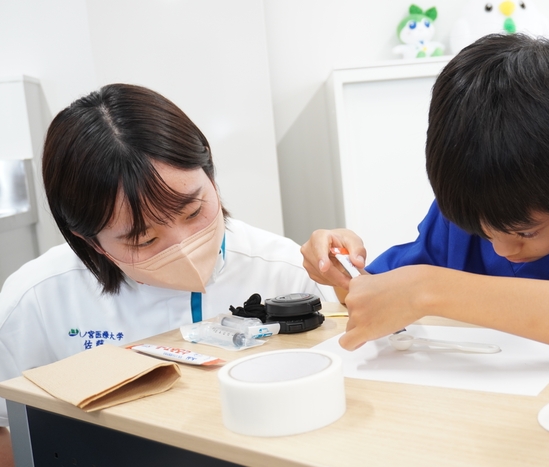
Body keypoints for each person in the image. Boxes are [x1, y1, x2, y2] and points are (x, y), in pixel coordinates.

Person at [301, 33, 549, 354]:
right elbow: (379, 295)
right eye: (484, 231)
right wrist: (341, 270)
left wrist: (429, 289)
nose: (502, 249)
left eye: (526, 231)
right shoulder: (475, 206)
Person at [0, 83, 335, 460]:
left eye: (193, 212)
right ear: (90, 241)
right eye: (143, 239)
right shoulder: (35, 301)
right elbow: (8, 433)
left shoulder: (284, 271)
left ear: (210, 175)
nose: (183, 245)